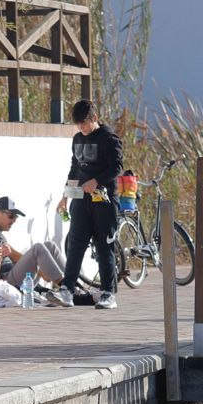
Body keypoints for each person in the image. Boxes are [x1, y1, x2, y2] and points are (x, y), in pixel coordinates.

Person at [52, 99, 123, 310]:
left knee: (104, 246)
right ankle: (67, 290)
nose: (81, 128)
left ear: (94, 118)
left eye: (84, 123)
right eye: (78, 125)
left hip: (105, 200)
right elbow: (74, 169)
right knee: (75, 245)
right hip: (81, 200)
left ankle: (108, 293)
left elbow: (117, 167)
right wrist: (65, 195)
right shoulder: (76, 139)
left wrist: (97, 181)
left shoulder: (109, 138)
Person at [0, 196, 65, 295]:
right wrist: (40, 271)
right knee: (37, 248)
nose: (14, 221)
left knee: (50, 246)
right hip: (5, 281)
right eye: (11, 216)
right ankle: (67, 287)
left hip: (14, 276)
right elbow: (14, 255)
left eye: (16, 217)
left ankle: (72, 282)